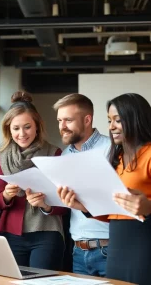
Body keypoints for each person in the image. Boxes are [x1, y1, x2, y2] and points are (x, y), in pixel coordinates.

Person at [58, 93, 151, 285]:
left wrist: (148, 207)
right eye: (110, 120)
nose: (111, 127)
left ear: (136, 119)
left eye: (118, 120)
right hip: (117, 247)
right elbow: (112, 213)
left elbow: (144, 208)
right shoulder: (118, 158)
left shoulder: (149, 154)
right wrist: (83, 206)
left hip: (142, 245)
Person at [0, 91, 65, 270]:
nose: (22, 134)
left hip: (47, 233)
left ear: (37, 127)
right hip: (12, 233)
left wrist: (45, 205)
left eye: (27, 127)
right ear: (9, 130)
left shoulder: (54, 153)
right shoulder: (2, 156)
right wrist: (6, 195)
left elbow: (66, 202)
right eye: (16, 128)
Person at [53, 93, 110, 276]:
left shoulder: (111, 149)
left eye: (68, 120)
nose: (62, 126)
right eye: (59, 120)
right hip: (78, 251)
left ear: (87, 119)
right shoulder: (64, 156)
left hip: (109, 249)